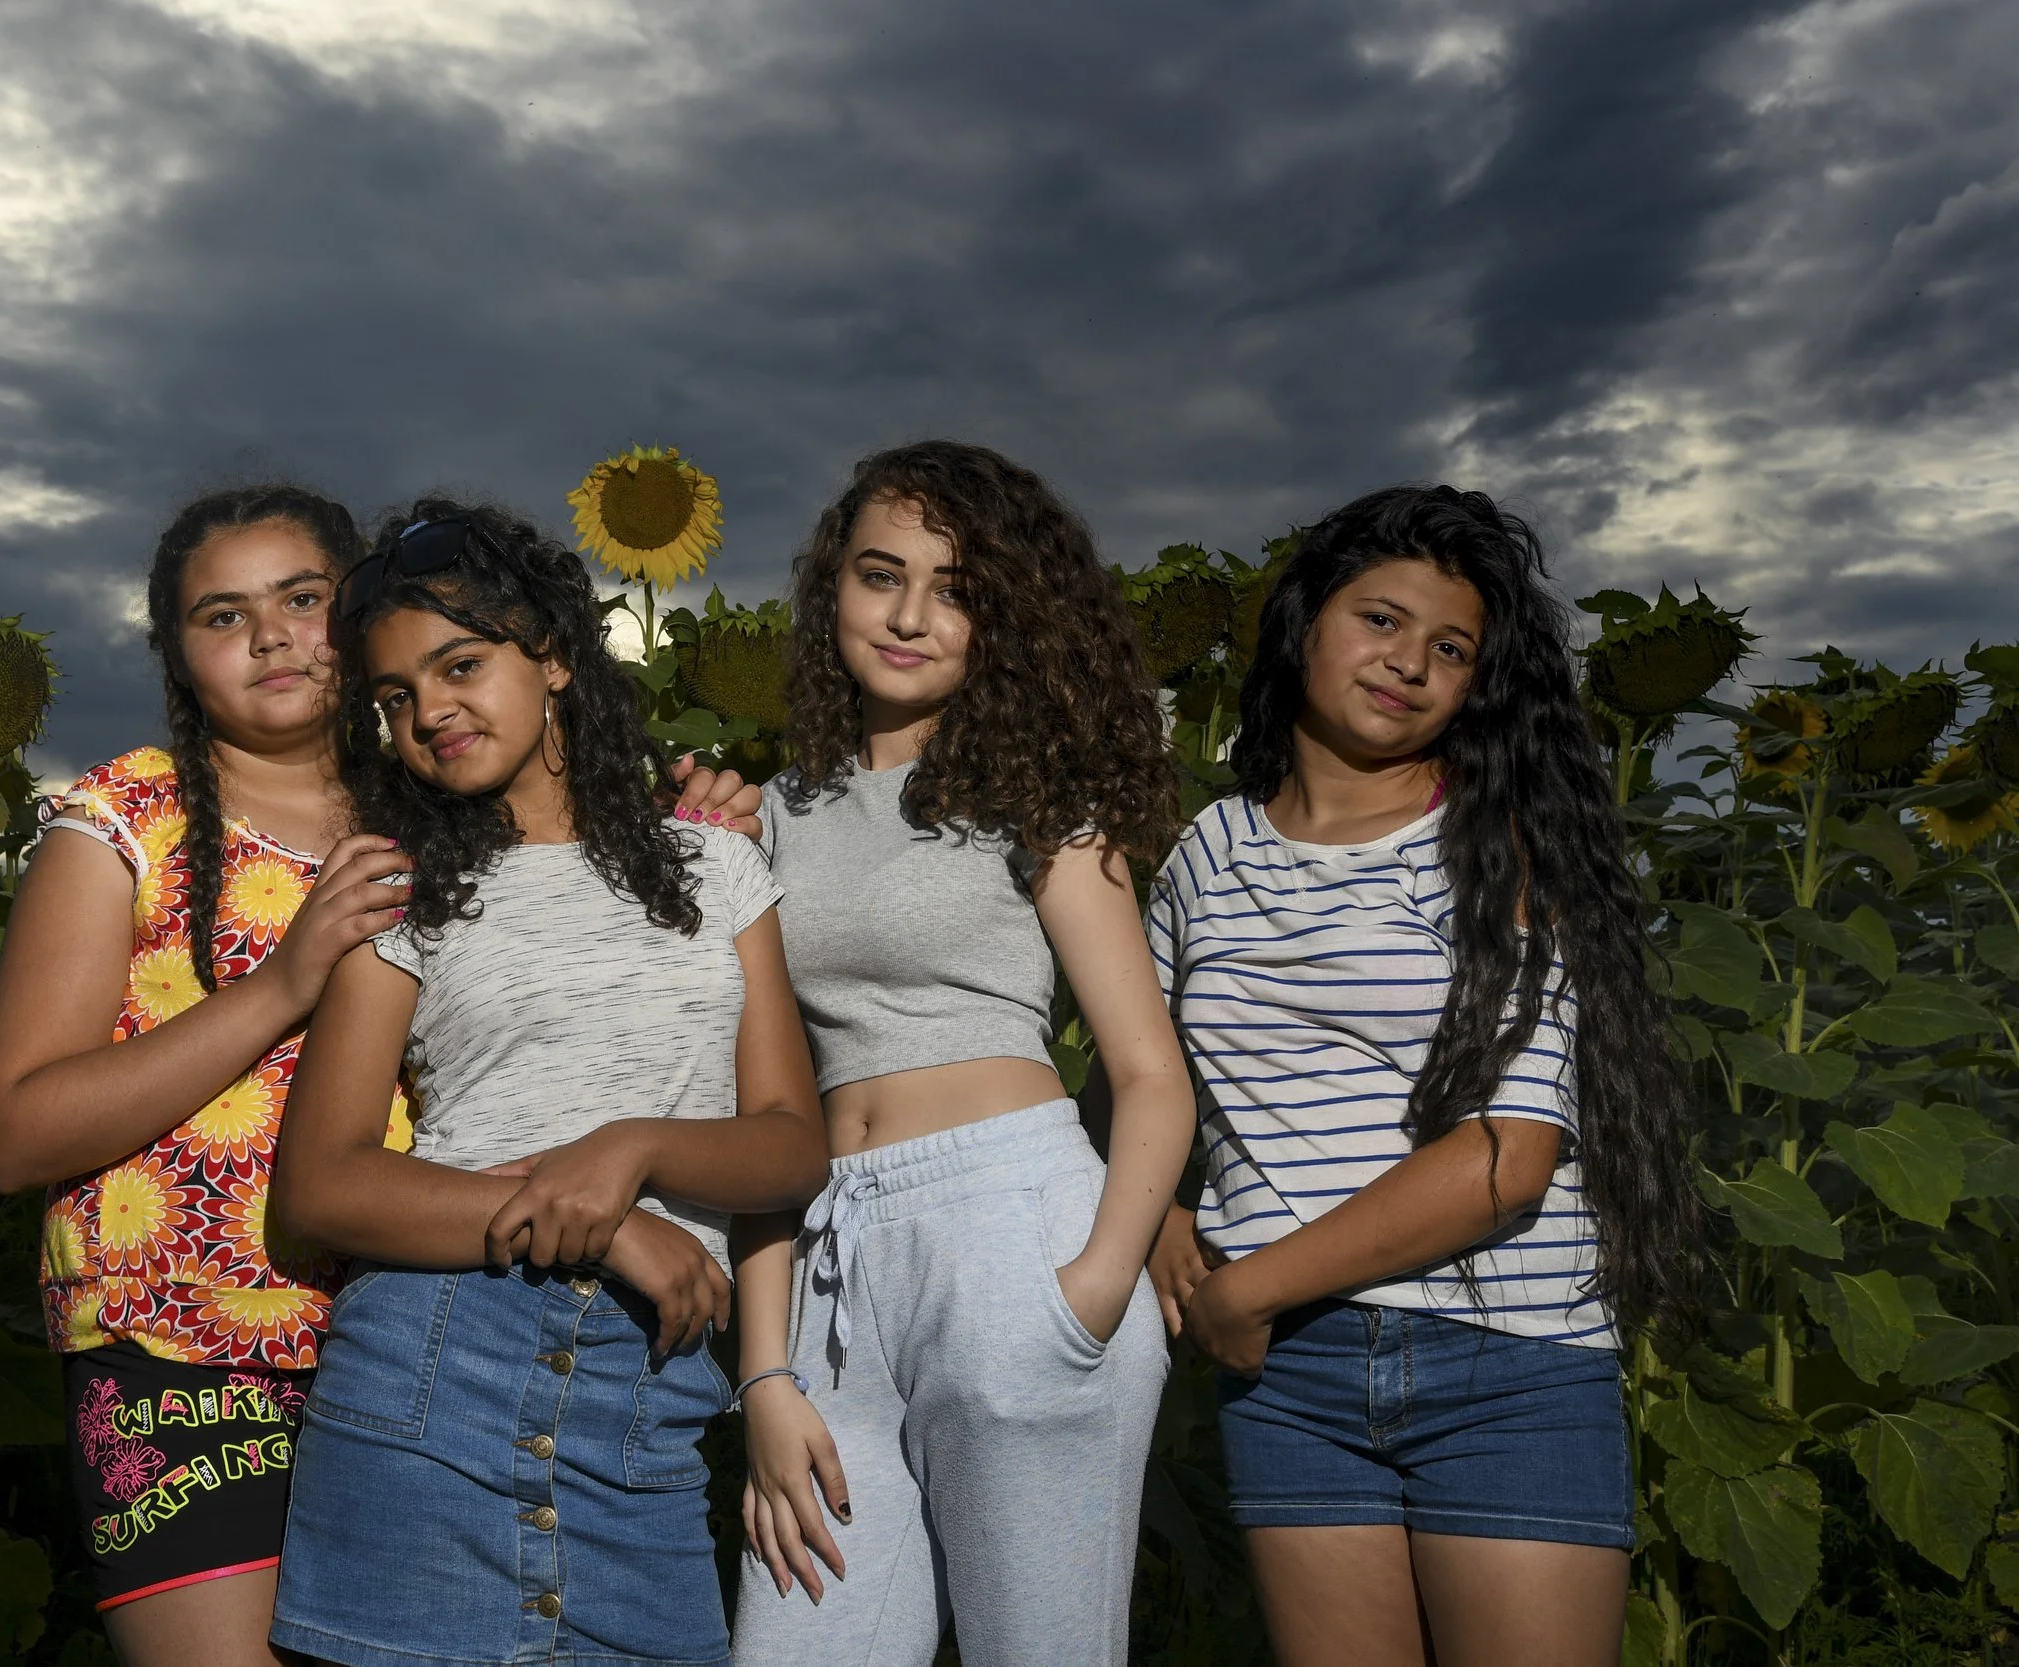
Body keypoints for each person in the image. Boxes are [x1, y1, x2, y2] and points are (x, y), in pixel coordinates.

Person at [0, 484, 763, 1665]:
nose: (274, 636)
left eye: (302, 599)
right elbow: (16, 1132)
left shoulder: (446, 799)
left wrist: (705, 810)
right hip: (186, 1348)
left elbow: (614, 878)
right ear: (178, 658)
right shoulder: (124, 820)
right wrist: (283, 983)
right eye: (221, 616)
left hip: (434, 1334)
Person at [1144, 485, 1702, 1667]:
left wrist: (1244, 1291)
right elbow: (1142, 1081)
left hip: (1505, 1354)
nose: (1409, 662)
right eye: (1380, 619)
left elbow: (1508, 1158)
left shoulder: (1501, 843)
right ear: (1303, 623)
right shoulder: (1206, 850)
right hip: (1290, 1377)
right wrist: (1164, 1214)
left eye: (1450, 648)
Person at [267, 501, 829, 1667]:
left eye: (461, 664)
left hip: (644, 1417)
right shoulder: (398, 887)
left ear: (558, 654)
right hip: (436, 1382)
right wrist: (601, 1228)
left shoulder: (718, 864)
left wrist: (636, 1147)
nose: (429, 711)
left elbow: (790, 1145)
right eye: (394, 696)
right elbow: (318, 1189)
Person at [726, 441, 1197, 1667]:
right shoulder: (772, 815)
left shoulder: (1040, 797)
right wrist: (764, 1371)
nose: (911, 615)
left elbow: (1149, 1073)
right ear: (833, 586)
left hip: (1013, 1232)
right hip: (828, 1268)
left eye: (956, 589)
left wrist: (1091, 1287)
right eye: (882, 575)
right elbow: (762, 1104)